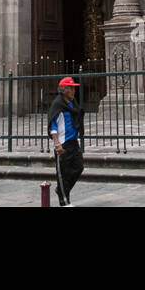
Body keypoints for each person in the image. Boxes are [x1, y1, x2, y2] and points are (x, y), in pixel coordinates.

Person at [47, 76, 85, 207]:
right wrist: (57, 143)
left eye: (74, 88)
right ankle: (64, 201)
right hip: (62, 143)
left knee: (79, 167)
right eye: (71, 88)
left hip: (73, 141)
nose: (73, 91)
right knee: (62, 174)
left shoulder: (72, 103)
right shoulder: (58, 105)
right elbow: (53, 126)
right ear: (63, 90)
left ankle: (62, 190)